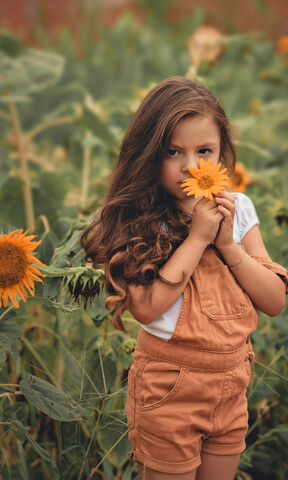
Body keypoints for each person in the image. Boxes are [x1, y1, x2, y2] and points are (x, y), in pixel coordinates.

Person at [80, 76, 288, 480]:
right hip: (169, 386)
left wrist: (229, 247)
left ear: (221, 153)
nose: (191, 166)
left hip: (232, 381)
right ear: (148, 155)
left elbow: (275, 300)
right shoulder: (140, 218)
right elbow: (146, 309)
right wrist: (196, 239)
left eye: (204, 151)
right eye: (174, 151)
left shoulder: (238, 208)